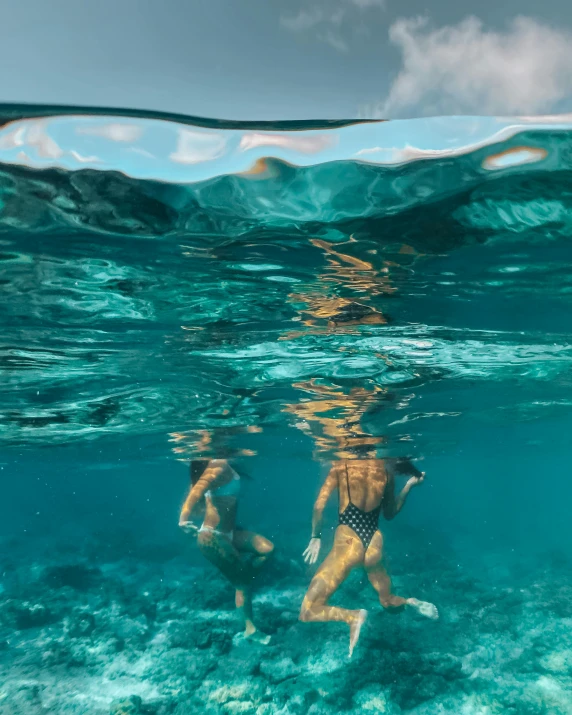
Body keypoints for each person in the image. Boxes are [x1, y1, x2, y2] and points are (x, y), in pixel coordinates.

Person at [299, 457, 438, 657]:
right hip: (374, 542)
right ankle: (409, 602)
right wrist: (409, 486)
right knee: (388, 601)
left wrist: (316, 536)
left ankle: (352, 617)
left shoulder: (341, 465)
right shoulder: (385, 470)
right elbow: (389, 513)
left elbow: (319, 505)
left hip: (348, 543)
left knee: (308, 610)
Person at [179, 459, 274, 644]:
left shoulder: (222, 463)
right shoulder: (217, 464)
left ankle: (245, 576)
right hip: (213, 537)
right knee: (242, 585)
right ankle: (250, 628)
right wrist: (183, 519)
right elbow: (196, 491)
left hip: (229, 534)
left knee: (268, 549)